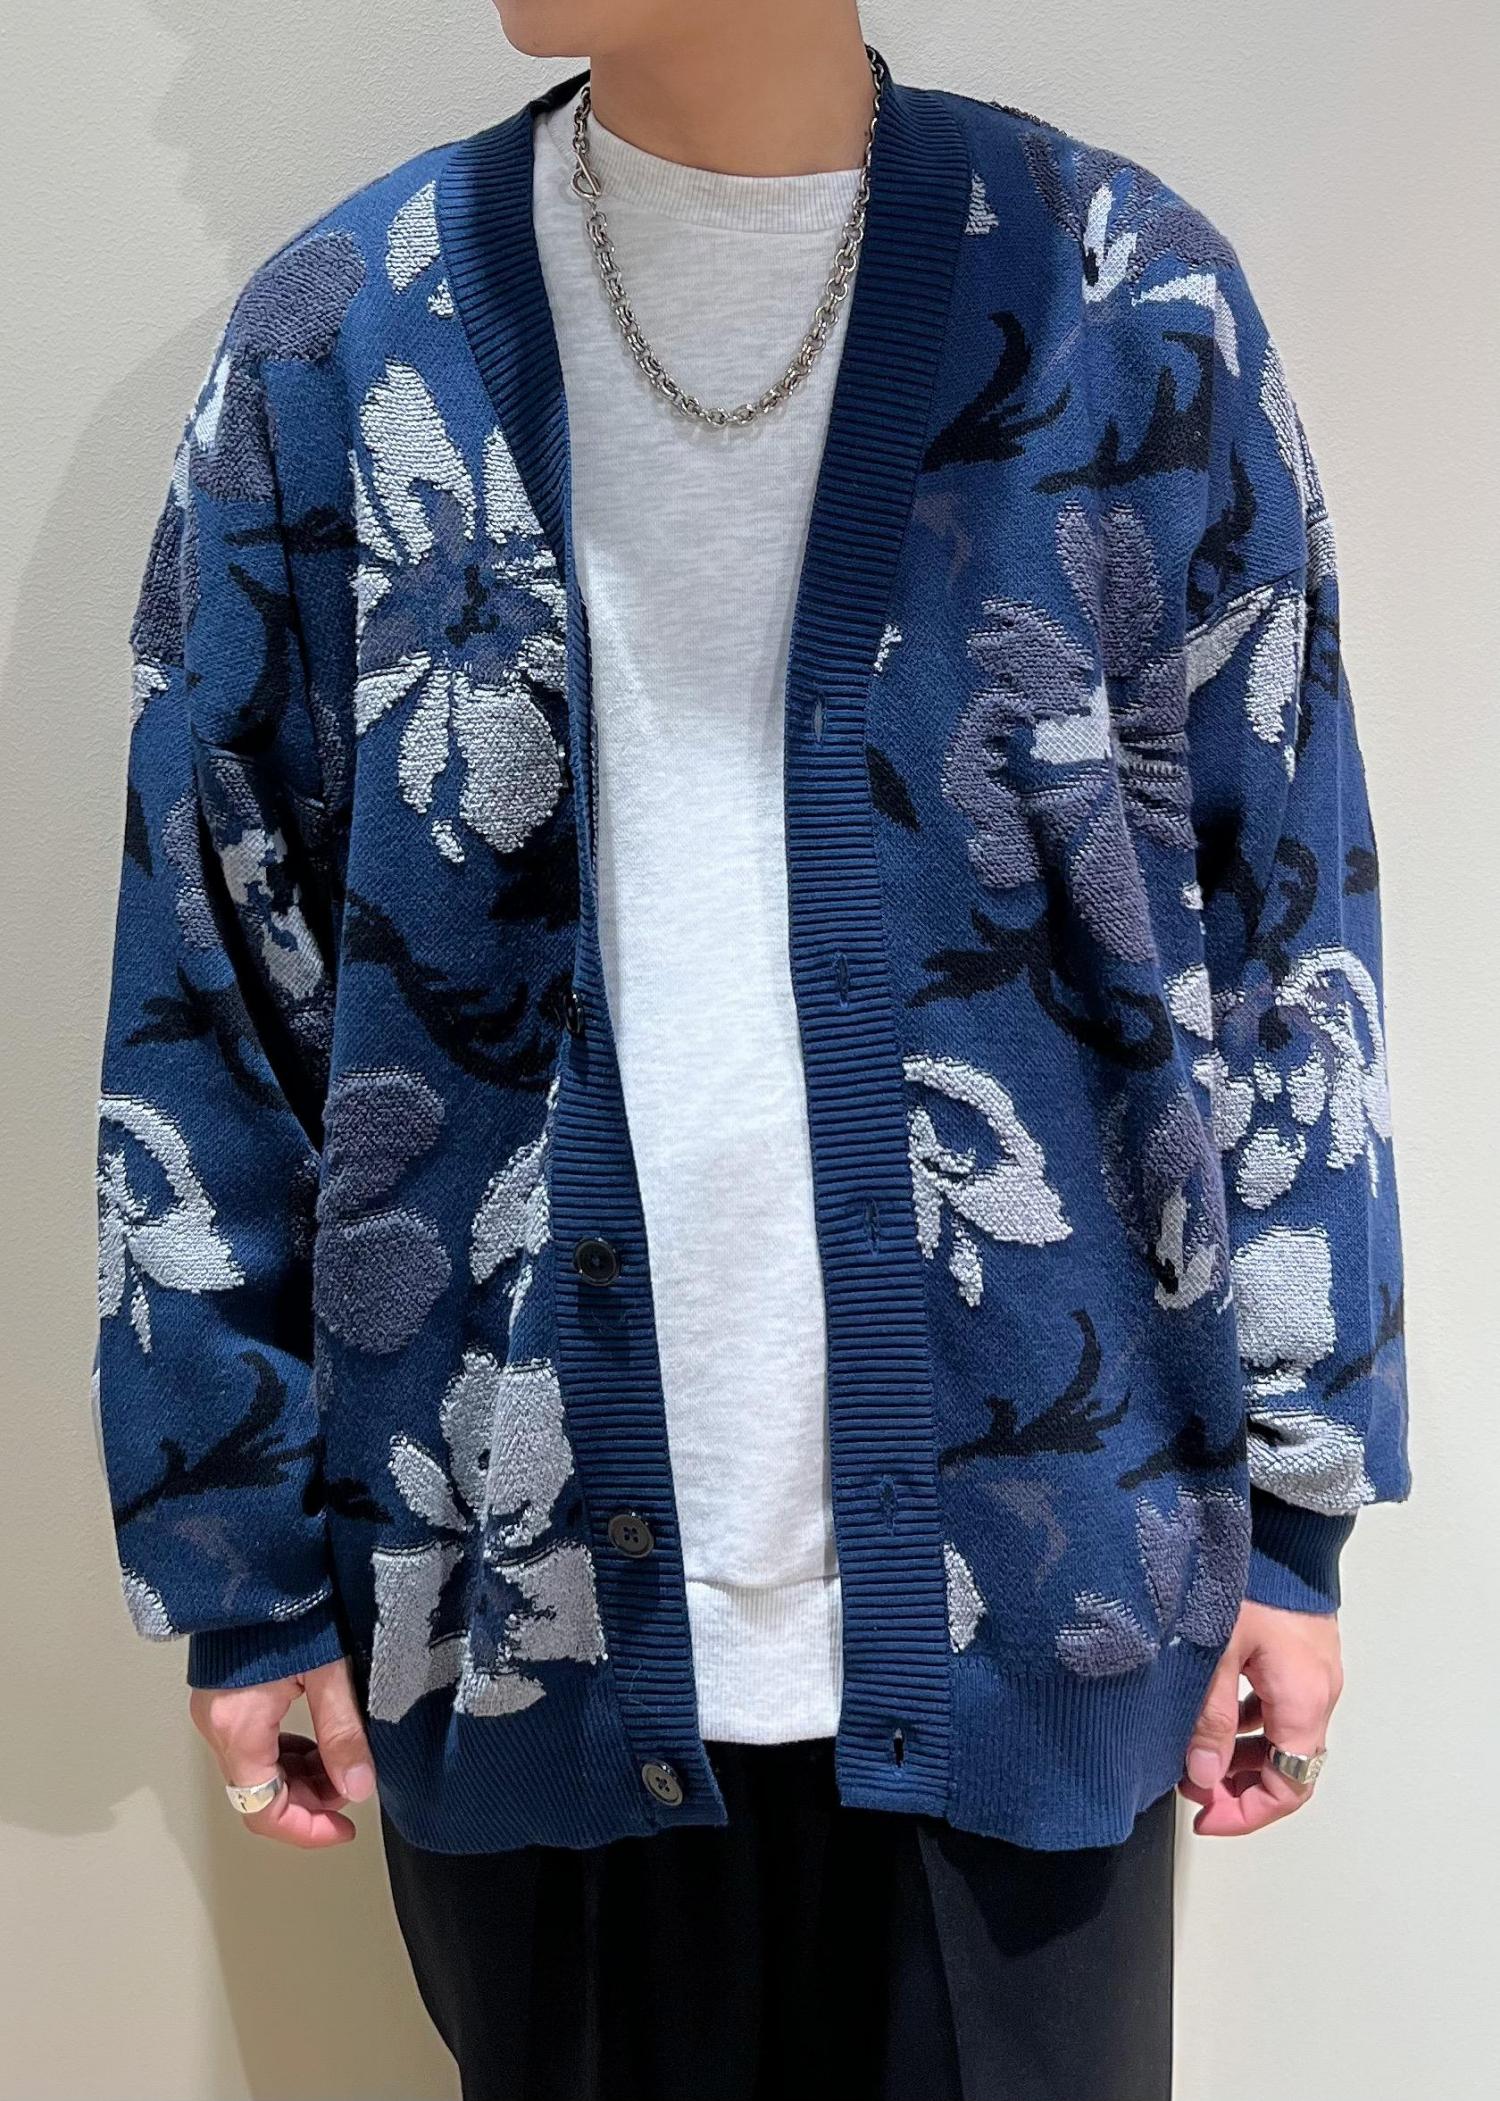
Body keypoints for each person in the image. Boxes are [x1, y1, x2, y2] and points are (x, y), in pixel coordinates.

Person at [94, 1, 1410, 2094]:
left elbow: (1285, 929)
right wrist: (240, 1564)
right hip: (517, 1606)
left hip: (1053, 1596)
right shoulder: (341, 342)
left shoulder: (1124, 300)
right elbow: (210, 970)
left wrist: (1300, 1497)